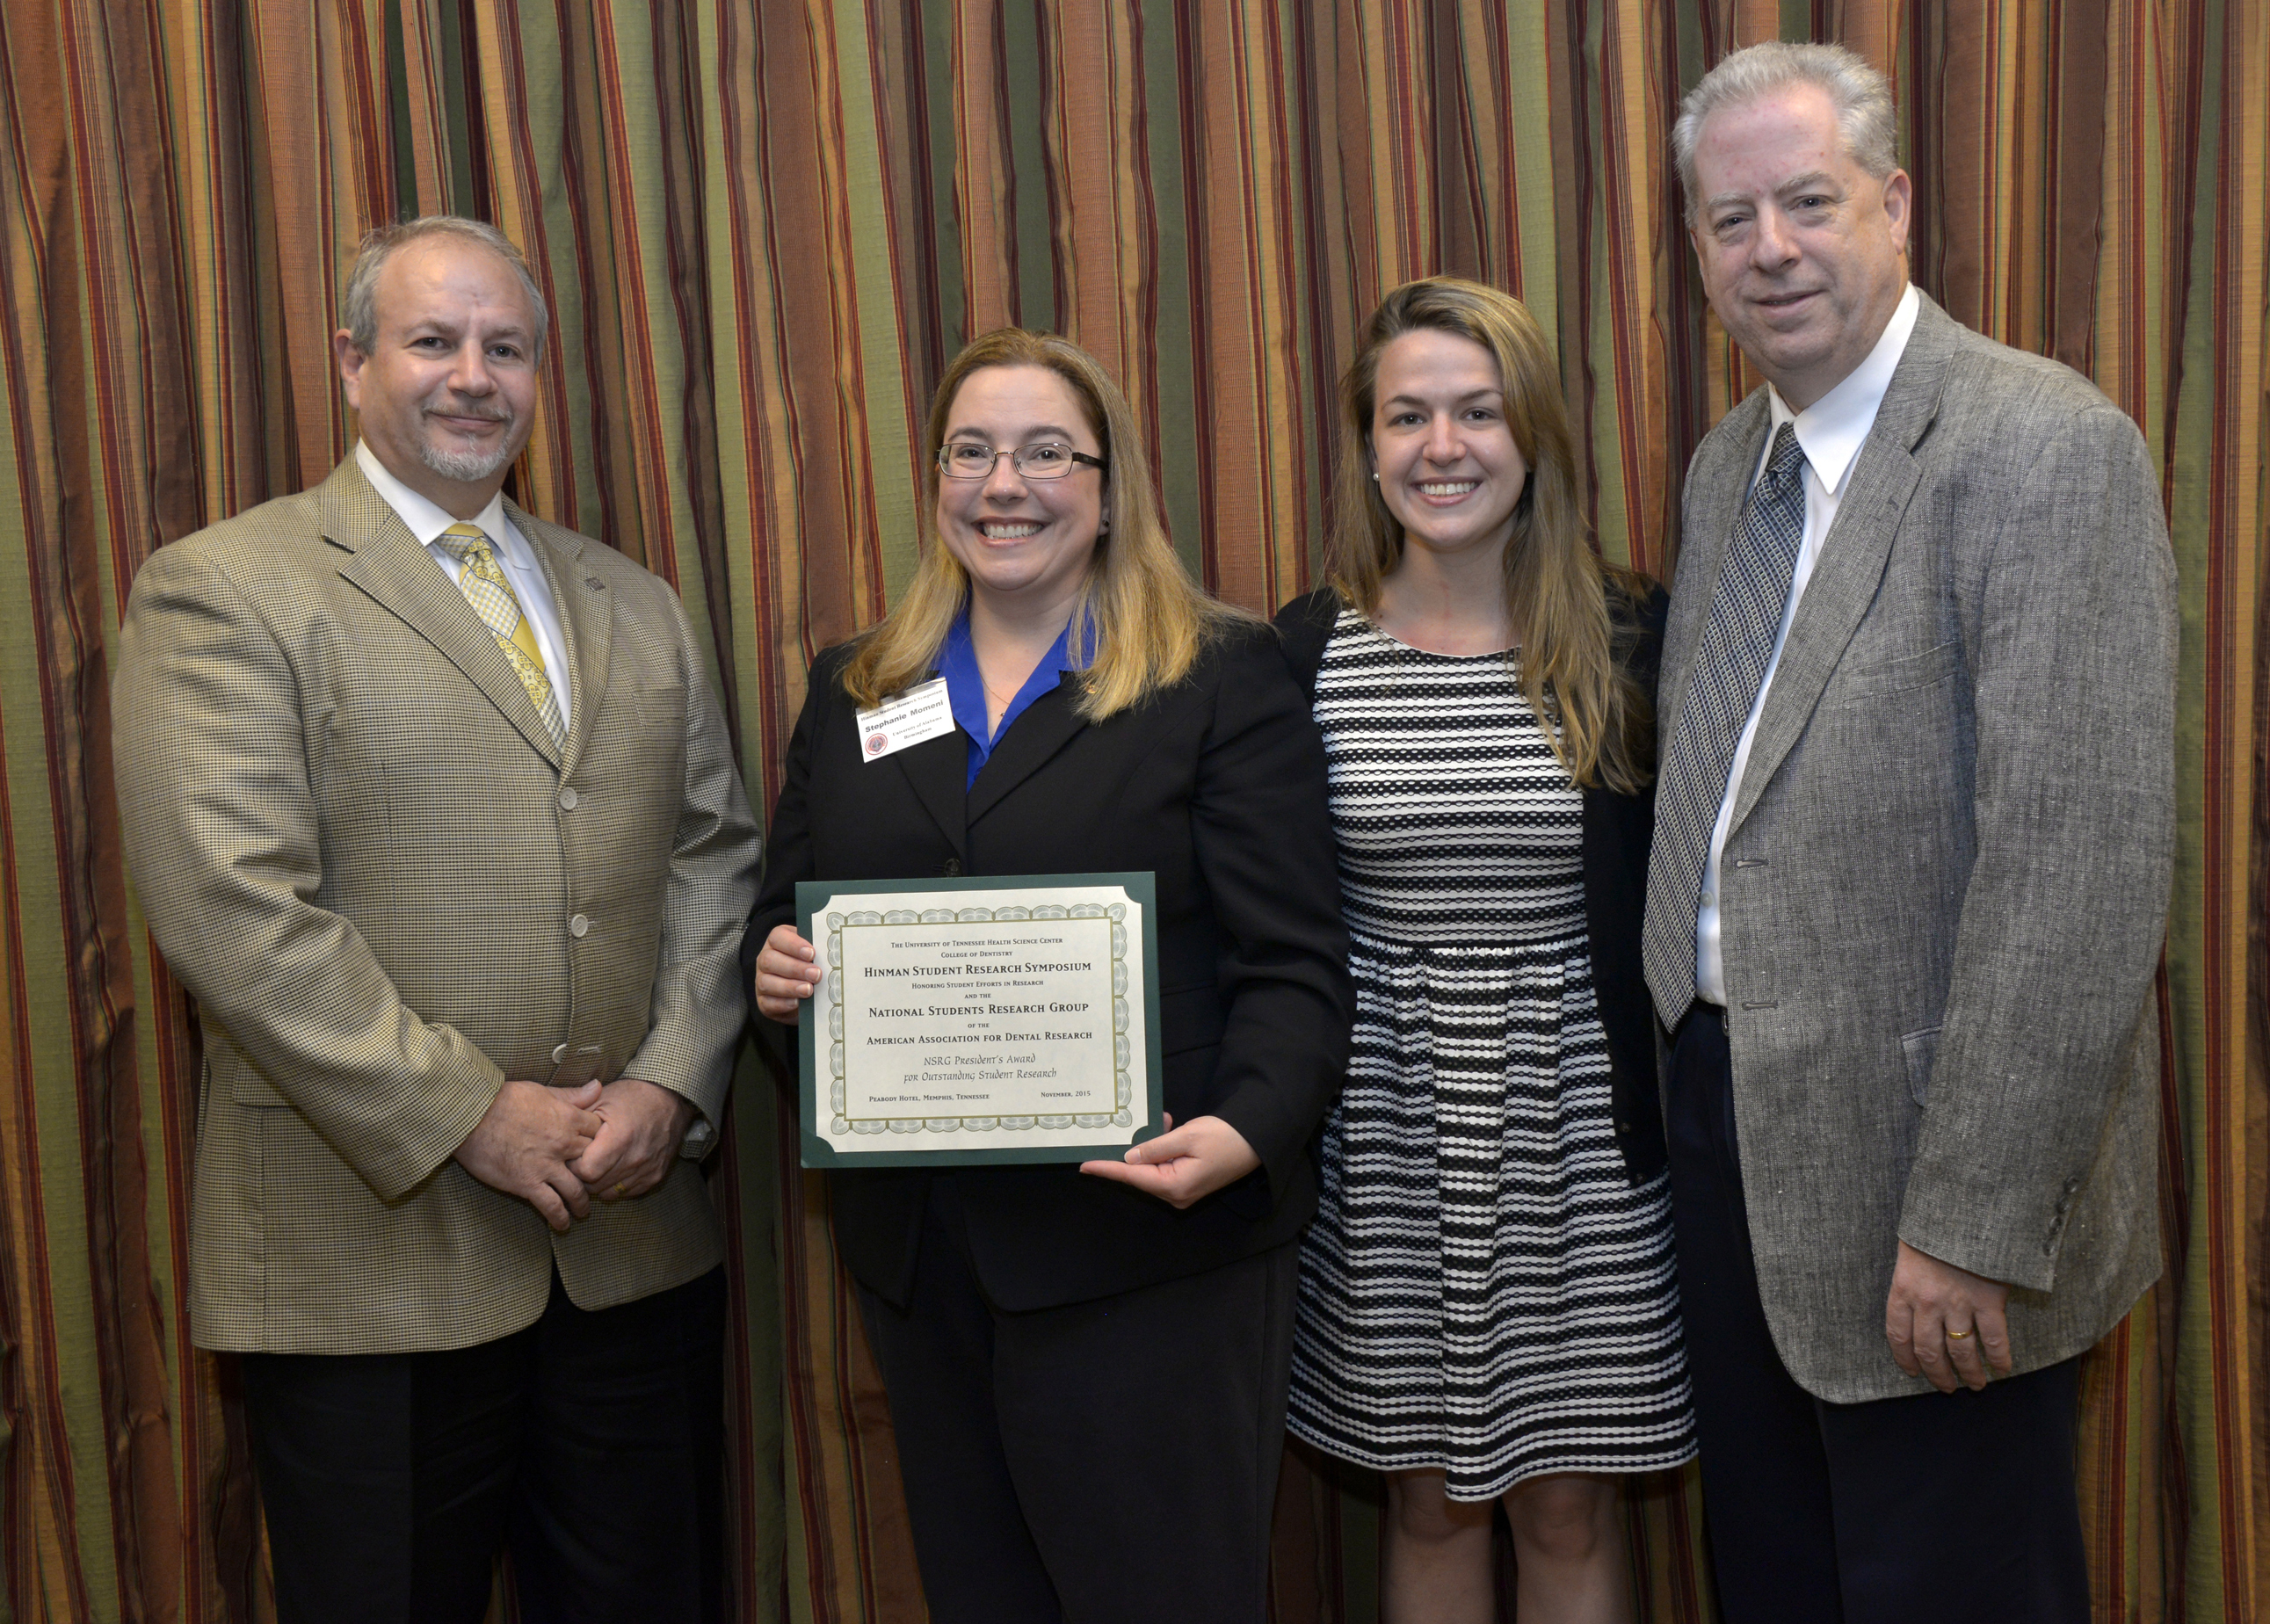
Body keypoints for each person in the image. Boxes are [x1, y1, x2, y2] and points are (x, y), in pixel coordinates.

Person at [111, 216, 761, 1623]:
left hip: (631, 1254)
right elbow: (236, 916)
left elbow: (718, 857)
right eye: (433, 340)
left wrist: (674, 1077)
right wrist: (475, 1112)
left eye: (506, 347)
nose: (474, 375)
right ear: (352, 364)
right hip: (370, 1272)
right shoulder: (226, 589)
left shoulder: (634, 600)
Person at [1643, 42, 2177, 1622]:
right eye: (1729, 220)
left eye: (1807, 202)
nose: (1771, 250)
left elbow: (2074, 875)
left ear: (1895, 203)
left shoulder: (2040, 445)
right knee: (1782, 1582)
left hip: (1928, 1180)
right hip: (1728, 1141)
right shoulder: (1727, 463)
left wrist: (1972, 1222)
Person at [744, 328, 1353, 1623]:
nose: (1001, 484)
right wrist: (781, 984)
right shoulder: (857, 689)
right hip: (931, 1261)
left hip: (1150, 1246)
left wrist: (1242, 1133)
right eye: (971, 451)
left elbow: (1294, 959)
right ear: (936, 478)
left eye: (1043, 453)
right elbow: (781, 930)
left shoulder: (1216, 674)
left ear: (1108, 485)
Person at [1274, 277, 1694, 1624]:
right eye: (1407, 415)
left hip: (1576, 1121)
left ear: (1535, 436)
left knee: (1566, 1501)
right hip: (1380, 1129)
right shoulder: (1299, 651)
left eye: (1477, 411)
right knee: (1426, 1493)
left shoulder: (1632, 635)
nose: (1441, 447)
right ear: (1367, 442)